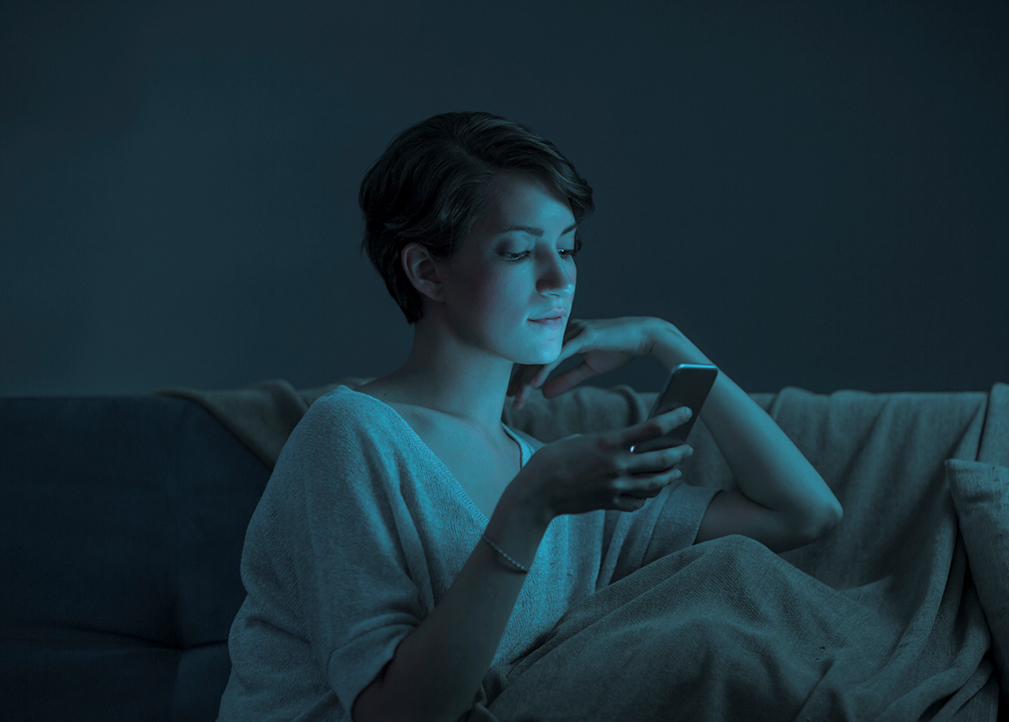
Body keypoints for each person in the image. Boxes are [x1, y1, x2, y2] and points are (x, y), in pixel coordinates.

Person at [214, 111, 721, 722]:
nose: (559, 279)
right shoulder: (350, 435)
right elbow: (394, 714)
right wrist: (530, 506)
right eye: (517, 252)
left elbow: (803, 513)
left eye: (567, 248)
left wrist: (663, 340)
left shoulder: (555, 473)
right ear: (426, 271)